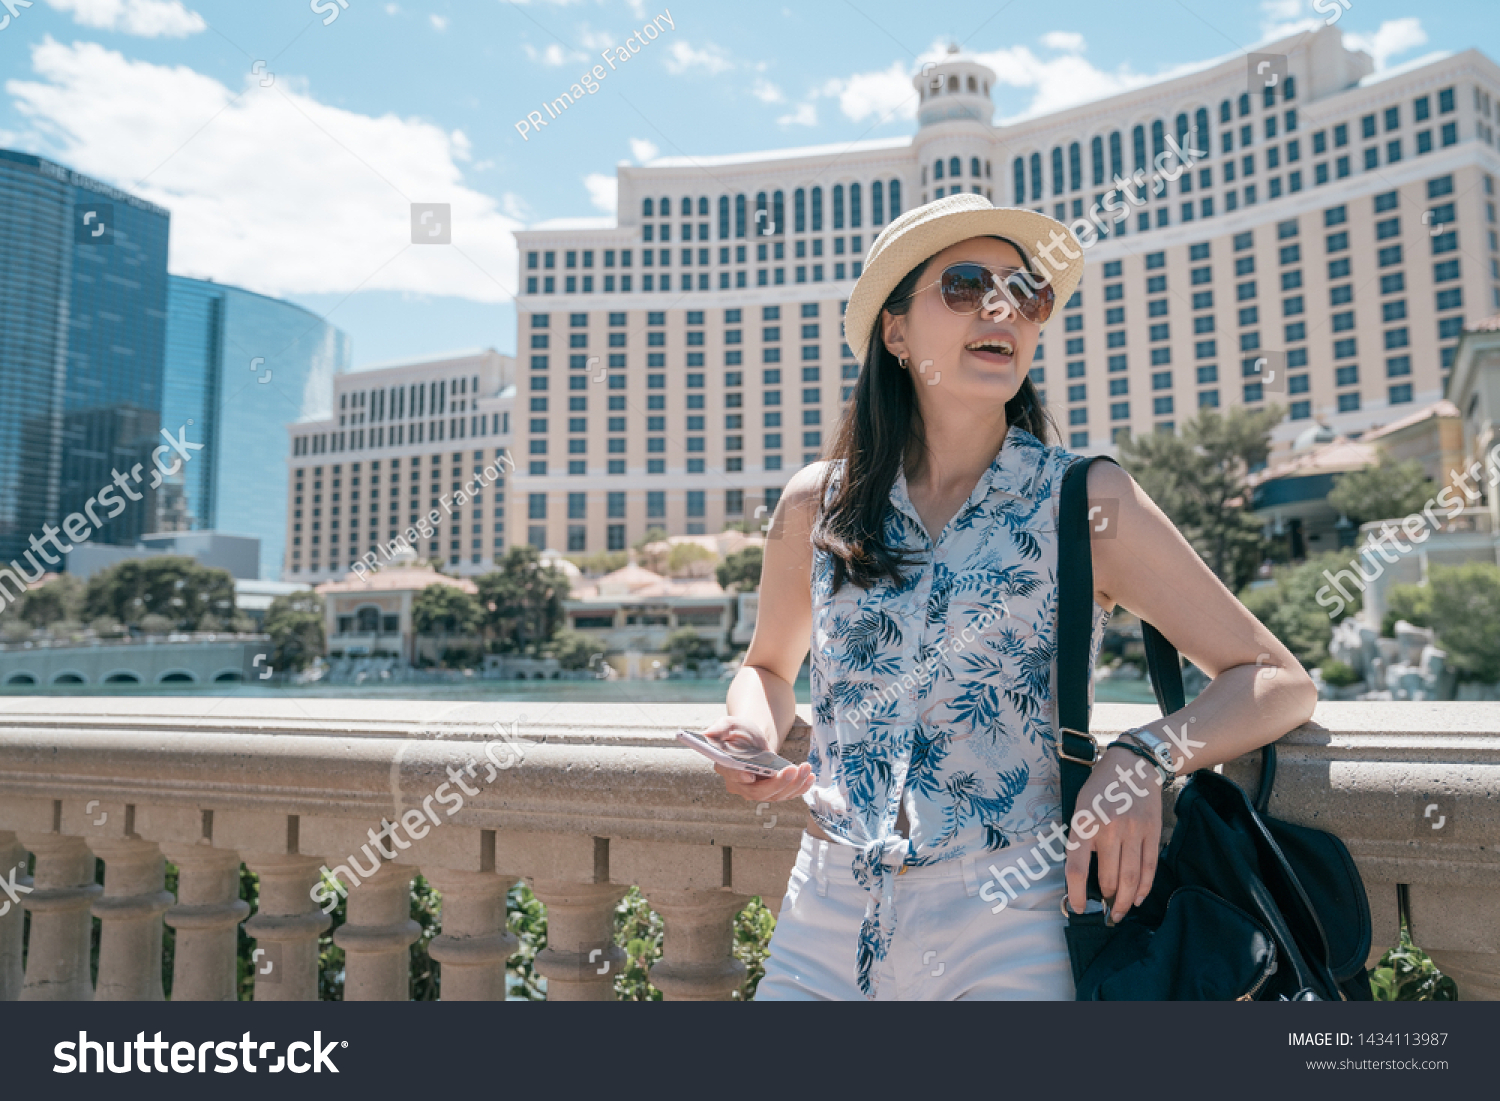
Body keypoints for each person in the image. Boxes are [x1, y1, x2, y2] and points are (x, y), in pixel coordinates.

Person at [701, 192, 1318, 1001]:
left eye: (1025, 293)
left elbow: (1276, 679)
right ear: (894, 331)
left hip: (1013, 918)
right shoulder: (815, 504)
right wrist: (750, 733)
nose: (1002, 307)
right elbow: (769, 668)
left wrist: (1142, 755)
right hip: (824, 908)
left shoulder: (1086, 501)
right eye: (964, 285)